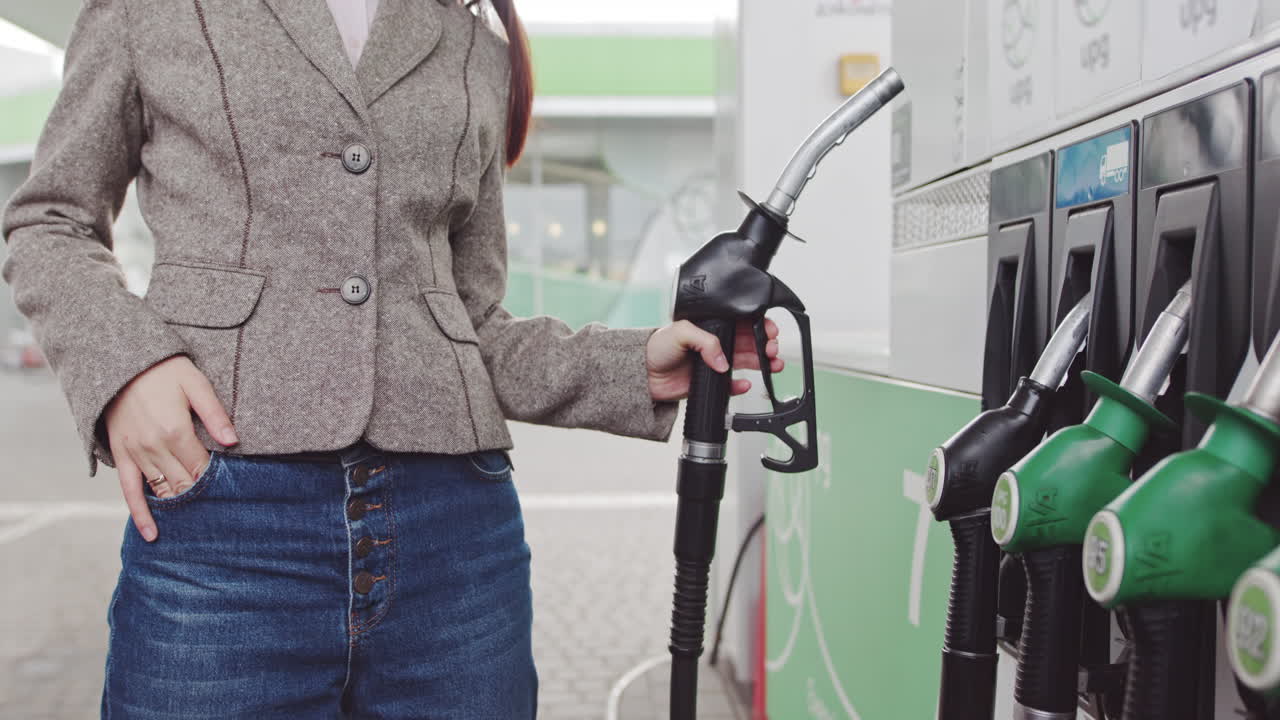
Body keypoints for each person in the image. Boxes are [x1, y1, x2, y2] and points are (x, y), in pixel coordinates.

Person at [0, 0, 782, 717]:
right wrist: (128, 368)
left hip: (455, 536)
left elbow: (471, 322)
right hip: (224, 519)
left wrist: (635, 364)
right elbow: (49, 220)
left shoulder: (475, 42)